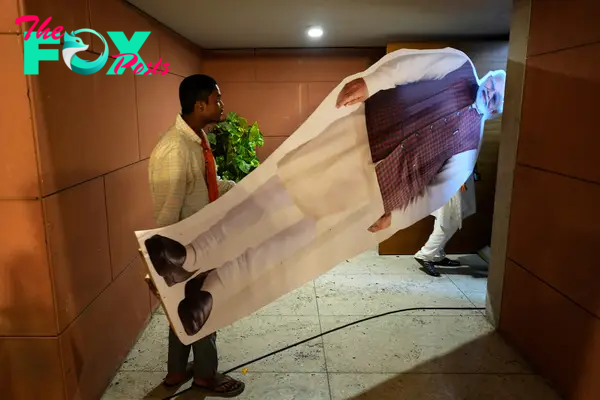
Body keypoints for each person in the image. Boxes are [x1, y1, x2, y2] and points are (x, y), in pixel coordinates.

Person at [144, 47, 506, 337]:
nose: (491, 92)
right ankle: (188, 256)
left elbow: (436, 192)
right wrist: (373, 81)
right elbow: (411, 65)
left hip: (371, 192)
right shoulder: (459, 64)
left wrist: (397, 215)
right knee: (263, 202)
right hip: (352, 139)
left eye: (501, 96)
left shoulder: (470, 145)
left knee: (288, 243)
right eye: (496, 84)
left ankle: (213, 292)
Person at [145, 74, 245, 397]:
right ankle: (205, 377)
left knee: (182, 310)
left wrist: (244, 187)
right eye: (218, 99)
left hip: (200, 243)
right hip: (186, 252)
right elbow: (165, 217)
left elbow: (204, 191)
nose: (222, 105)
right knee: (203, 310)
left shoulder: (195, 141)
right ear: (200, 104)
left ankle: (176, 373)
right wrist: (156, 270)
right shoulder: (174, 152)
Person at [414, 172, 477, 277]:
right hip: (451, 178)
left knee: (446, 219)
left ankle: (436, 255)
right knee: (447, 220)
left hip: (454, 177)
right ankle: (425, 254)